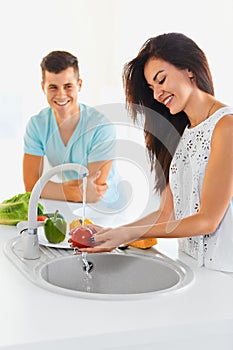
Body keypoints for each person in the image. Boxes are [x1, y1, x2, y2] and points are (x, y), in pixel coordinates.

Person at [82, 32, 233, 272]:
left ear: (189, 69)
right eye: (151, 87)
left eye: (161, 80)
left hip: (223, 276)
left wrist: (128, 233)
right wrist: (116, 233)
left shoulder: (226, 126)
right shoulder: (184, 132)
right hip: (190, 269)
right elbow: (166, 213)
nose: (156, 94)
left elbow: (207, 220)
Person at [23, 50, 121, 205]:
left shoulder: (101, 126)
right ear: (43, 87)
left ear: (79, 85)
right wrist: (72, 191)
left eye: (68, 86)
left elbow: (92, 190)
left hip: (107, 208)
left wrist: (48, 188)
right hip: (69, 205)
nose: (61, 95)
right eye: (53, 87)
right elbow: (31, 187)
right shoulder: (37, 125)